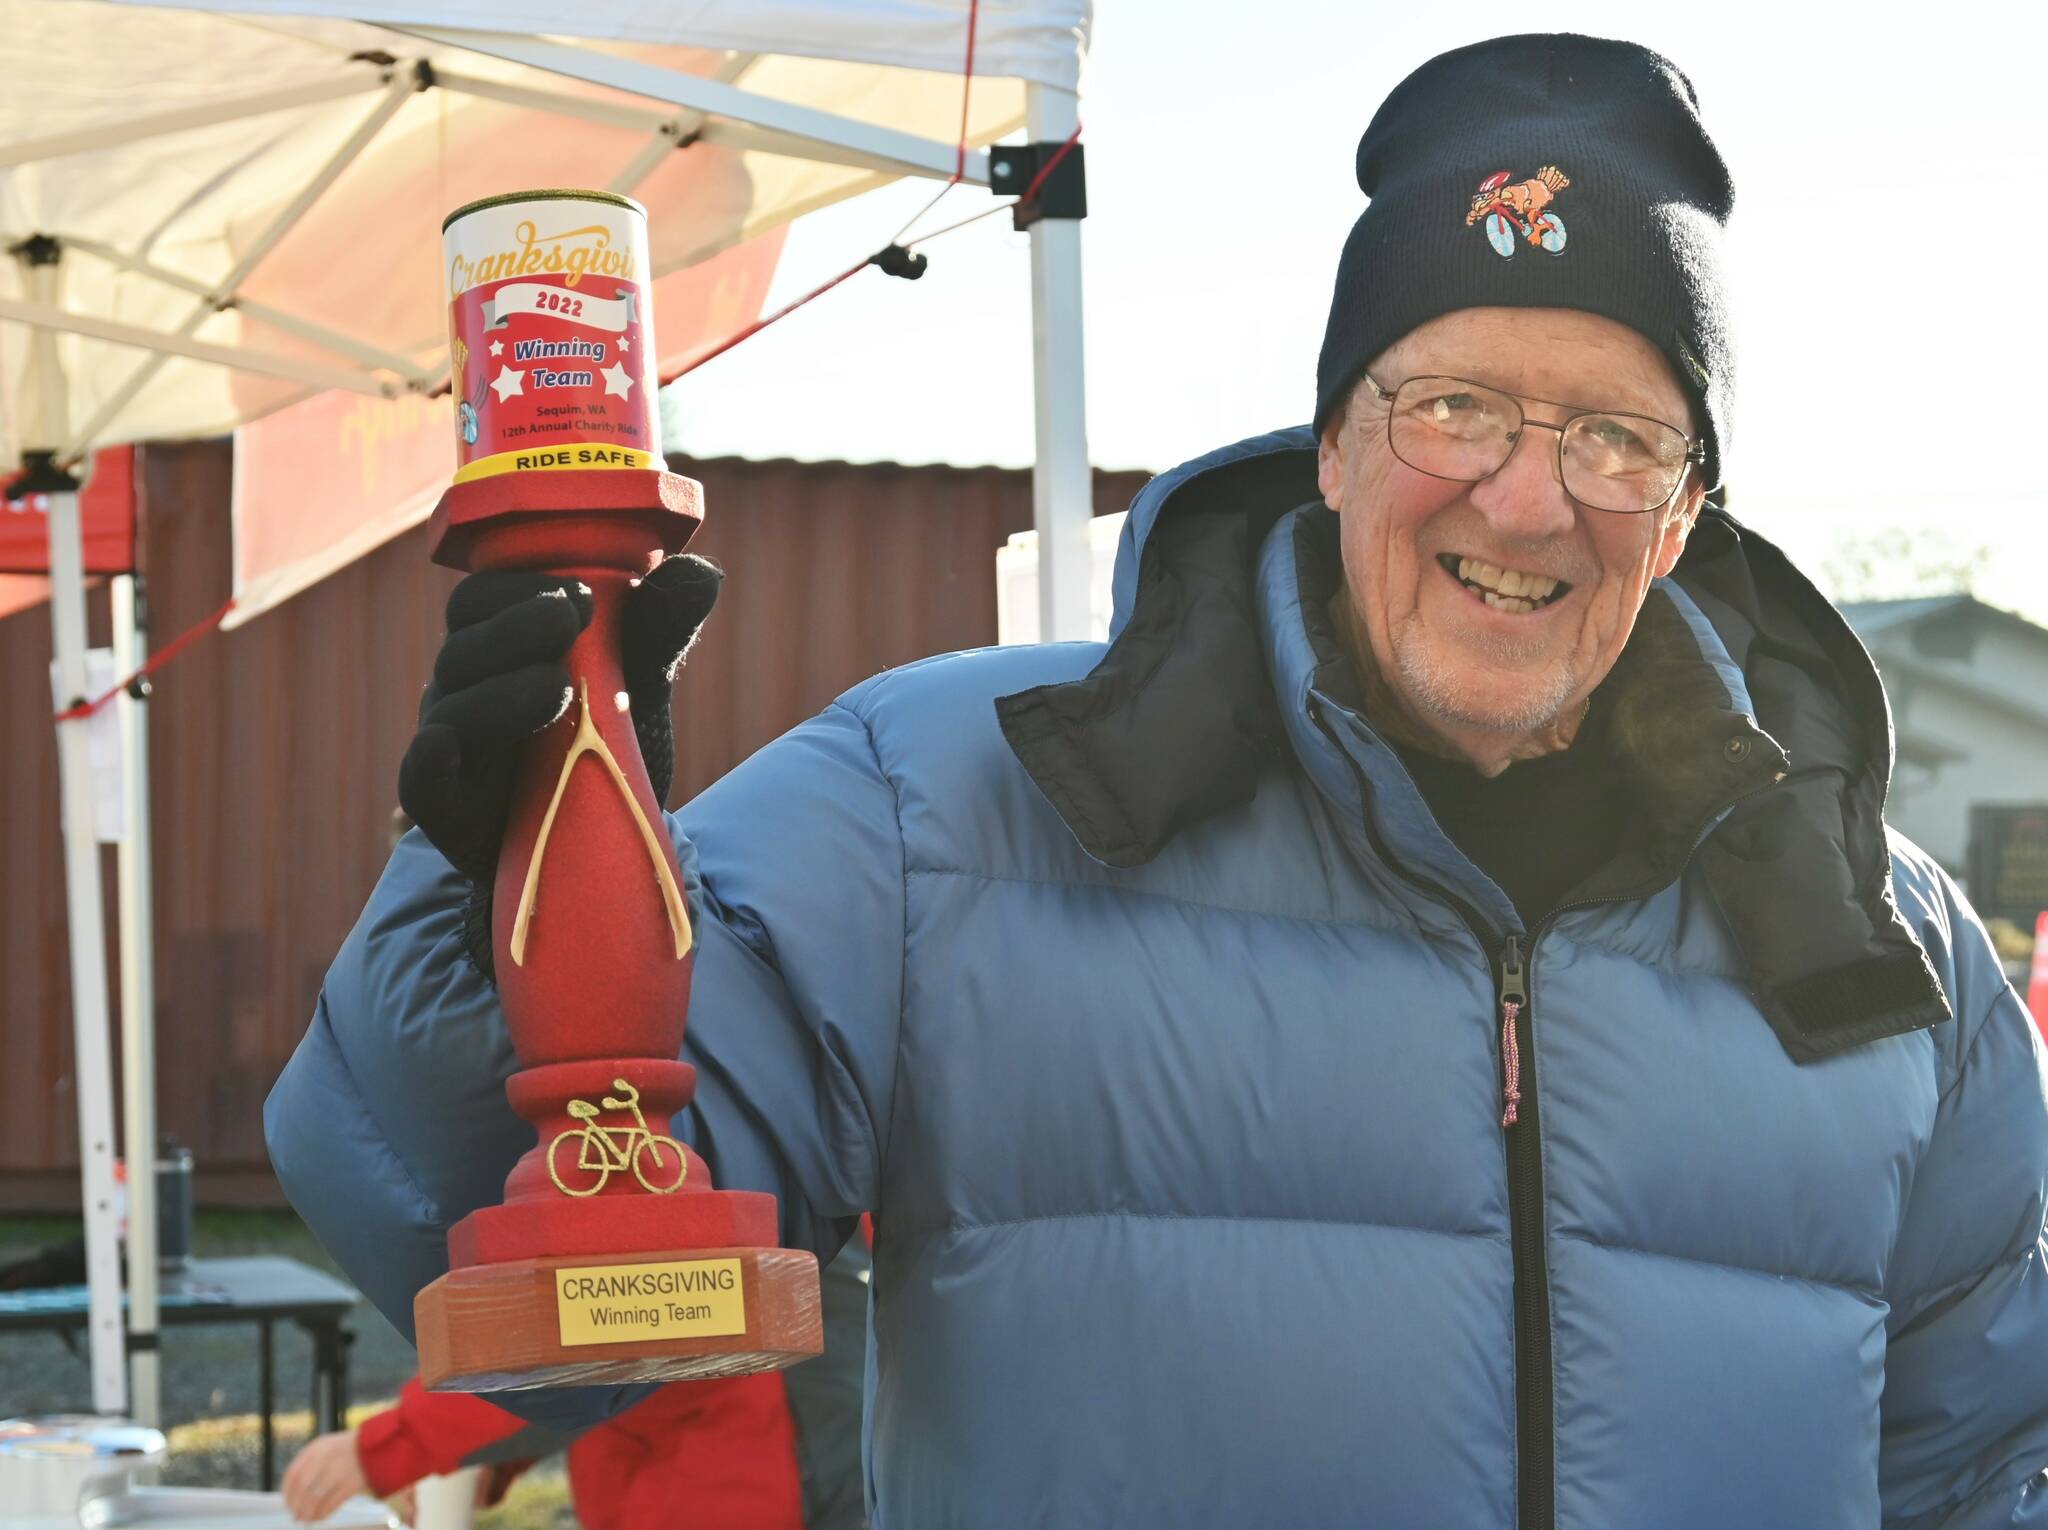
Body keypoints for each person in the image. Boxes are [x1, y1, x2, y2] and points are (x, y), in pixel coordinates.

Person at [268, 33, 2048, 1528]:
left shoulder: (1882, 946)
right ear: (1332, 445)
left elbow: (1988, 1462)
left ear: (1682, 516)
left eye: (1613, 438)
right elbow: (479, 1226)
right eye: (1453, 407)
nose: (1523, 501)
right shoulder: (937, 805)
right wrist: (490, 866)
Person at [279, 1238, 874, 1528]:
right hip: (696, 1452)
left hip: (754, 1462)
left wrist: (387, 1445)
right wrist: (494, 1458)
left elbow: (597, 1322)